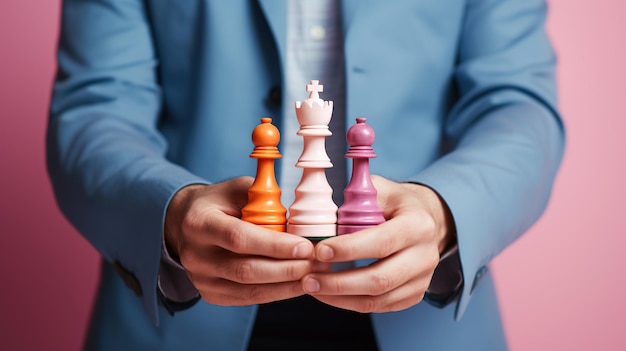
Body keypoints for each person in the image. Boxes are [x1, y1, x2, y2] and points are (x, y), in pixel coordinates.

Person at [46, 0, 565, 350]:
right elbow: (96, 110)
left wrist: (447, 211)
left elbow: (518, 105)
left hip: (425, 313)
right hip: (180, 309)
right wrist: (170, 211)